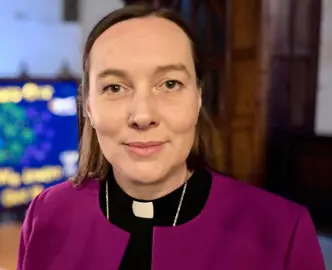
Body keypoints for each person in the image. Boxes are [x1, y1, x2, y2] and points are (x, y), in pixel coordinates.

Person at [17, 4, 325, 270]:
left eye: (169, 84)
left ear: (198, 98)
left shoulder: (282, 231)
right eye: (114, 87)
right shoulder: (46, 213)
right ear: (88, 107)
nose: (142, 116)